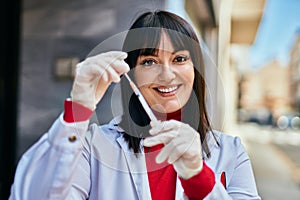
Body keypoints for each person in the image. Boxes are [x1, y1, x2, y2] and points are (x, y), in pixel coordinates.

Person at [9, 10, 261, 200]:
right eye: (149, 61)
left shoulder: (231, 152)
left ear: (195, 69)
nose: (167, 75)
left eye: (180, 58)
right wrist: (77, 111)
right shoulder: (94, 147)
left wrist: (199, 177)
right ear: (131, 73)